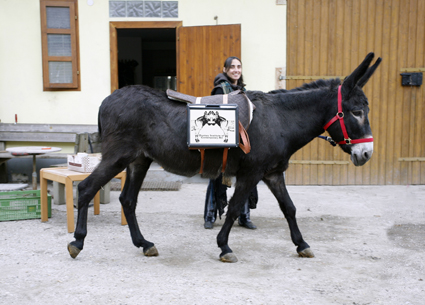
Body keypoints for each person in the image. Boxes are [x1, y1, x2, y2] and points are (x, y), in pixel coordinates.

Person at [203, 56, 258, 230]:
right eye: (232, 67)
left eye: (238, 67)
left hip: (240, 140)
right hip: (222, 140)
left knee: (244, 177)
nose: (236, 70)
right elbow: (214, 114)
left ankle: (244, 216)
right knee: (216, 177)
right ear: (226, 70)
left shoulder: (243, 90)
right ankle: (210, 216)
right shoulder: (219, 90)